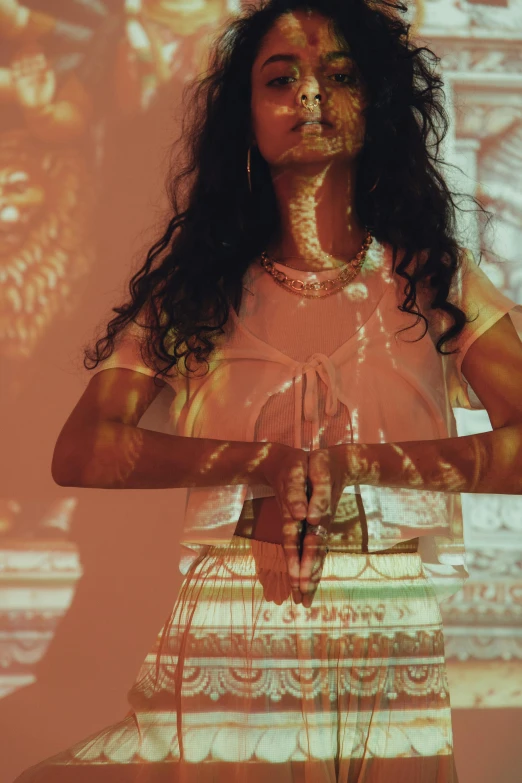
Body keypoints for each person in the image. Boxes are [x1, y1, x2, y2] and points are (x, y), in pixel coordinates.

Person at [14, 0, 522, 781]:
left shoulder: (433, 275)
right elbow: (82, 449)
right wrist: (260, 461)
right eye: (281, 79)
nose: (311, 98)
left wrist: (362, 466)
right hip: (231, 622)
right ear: (245, 117)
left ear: (377, 103)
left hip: (385, 615)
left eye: (340, 76)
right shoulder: (200, 287)